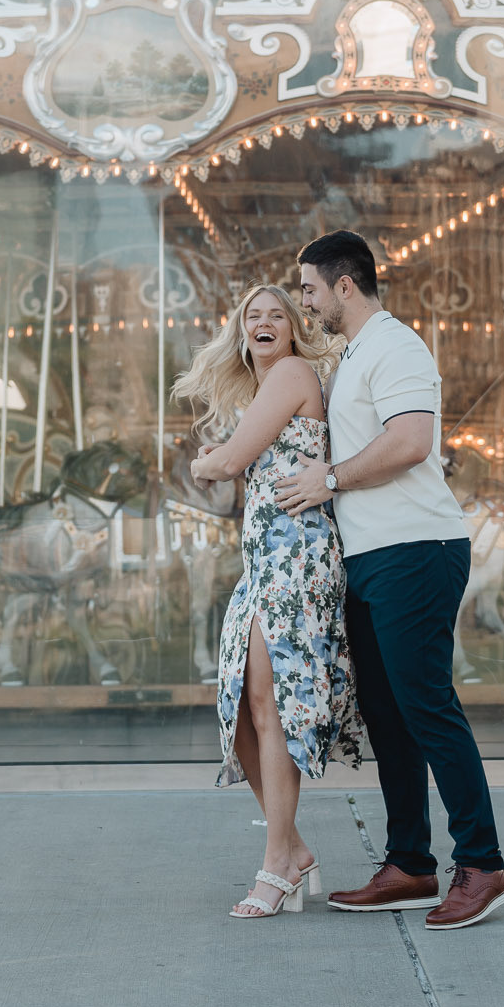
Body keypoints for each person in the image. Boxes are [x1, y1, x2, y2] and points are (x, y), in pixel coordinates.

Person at [280, 230, 504, 931]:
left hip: (416, 547)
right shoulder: (354, 356)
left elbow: (412, 441)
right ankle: (411, 862)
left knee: (427, 705)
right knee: (389, 715)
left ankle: (483, 863)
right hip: (373, 554)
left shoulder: (395, 346)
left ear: (344, 285)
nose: (304, 300)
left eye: (309, 288)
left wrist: (329, 478)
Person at [173, 283, 363, 919]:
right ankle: (294, 850)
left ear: (291, 327)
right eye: (252, 316)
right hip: (263, 563)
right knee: (247, 705)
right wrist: (221, 458)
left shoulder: (290, 373)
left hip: (298, 560)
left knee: (270, 702)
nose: (264, 322)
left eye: (276, 313)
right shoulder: (262, 391)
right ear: (240, 330)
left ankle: (276, 864)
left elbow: (227, 466)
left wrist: (208, 462)